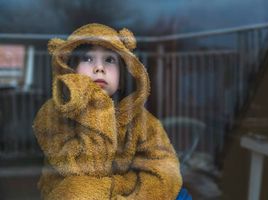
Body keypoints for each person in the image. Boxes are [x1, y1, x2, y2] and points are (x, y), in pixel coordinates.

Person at [33, 23, 183, 200]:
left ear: (122, 77)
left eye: (109, 60)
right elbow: (86, 169)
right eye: (88, 59)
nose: (99, 68)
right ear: (70, 70)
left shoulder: (141, 120)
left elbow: (165, 172)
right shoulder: (52, 115)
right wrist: (96, 105)